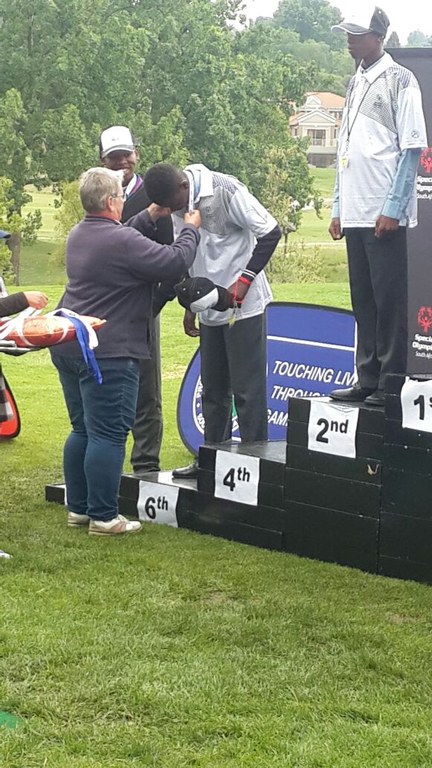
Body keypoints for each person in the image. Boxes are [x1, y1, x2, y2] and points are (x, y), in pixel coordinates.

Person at [50, 167, 201, 535]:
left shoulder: (80, 233)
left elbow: (121, 236)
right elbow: (173, 261)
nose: (122, 200)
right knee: (108, 434)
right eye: (119, 196)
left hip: (70, 343)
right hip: (109, 351)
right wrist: (190, 229)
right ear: (111, 201)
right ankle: (104, 516)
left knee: (82, 430)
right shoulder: (121, 240)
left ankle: (79, 509)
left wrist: (149, 215)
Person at [144, 162, 281, 479]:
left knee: (247, 393)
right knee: (213, 391)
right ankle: (212, 462)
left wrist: (244, 281)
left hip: (242, 306)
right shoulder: (176, 200)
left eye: (173, 204)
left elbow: (271, 232)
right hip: (209, 306)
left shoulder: (226, 189)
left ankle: (254, 468)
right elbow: (187, 252)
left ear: (183, 186)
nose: (172, 211)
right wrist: (190, 305)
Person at [329, 6, 427, 406]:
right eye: (347, 33)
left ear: (378, 37)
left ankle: (391, 382)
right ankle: (367, 377)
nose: (349, 41)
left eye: (357, 34)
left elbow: (412, 148)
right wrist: (337, 206)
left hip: (382, 211)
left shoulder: (402, 79)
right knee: (364, 300)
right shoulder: (355, 81)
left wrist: (394, 207)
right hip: (354, 209)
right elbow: (344, 149)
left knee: (388, 301)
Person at [99, 126, 174, 474]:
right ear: (103, 160)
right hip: (105, 308)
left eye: (126, 155)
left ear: (137, 154)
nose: (121, 162)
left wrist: (153, 304)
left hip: (143, 306)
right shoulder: (97, 197)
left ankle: (145, 464)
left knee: (146, 390)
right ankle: (106, 458)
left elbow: (171, 258)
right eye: (113, 157)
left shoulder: (153, 195)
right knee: (107, 384)